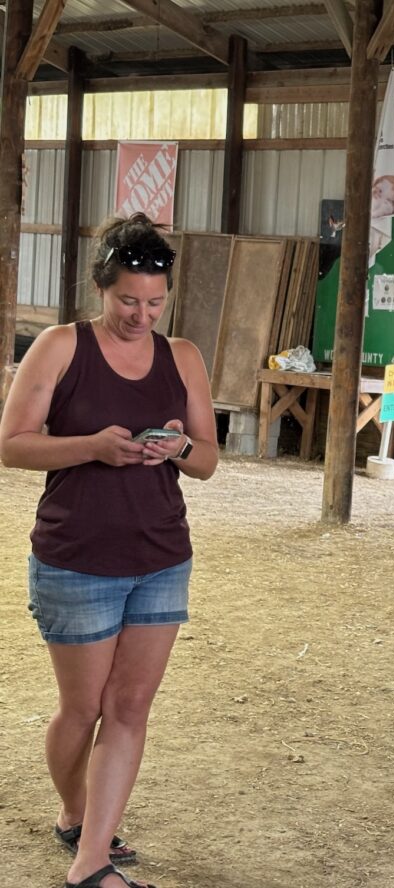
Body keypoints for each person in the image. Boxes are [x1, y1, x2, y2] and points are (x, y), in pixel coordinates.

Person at [0, 213, 218, 888]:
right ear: (101, 287)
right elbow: (12, 444)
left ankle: (91, 859)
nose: (141, 315)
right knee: (84, 707)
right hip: (75, 557)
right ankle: (75, 813)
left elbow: (207, 461)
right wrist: (92, 447)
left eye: (154, 303)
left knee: (130, 708)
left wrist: (177, 447)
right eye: (128, 301)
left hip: (161, 556)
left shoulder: (183, 356)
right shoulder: (60, 346)